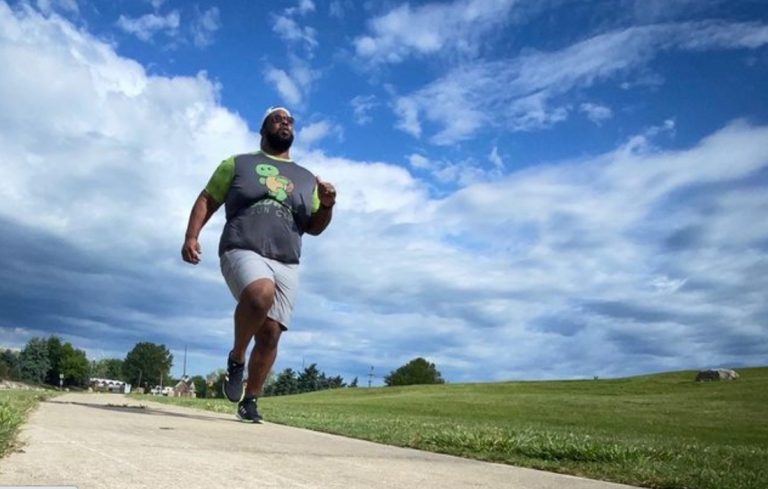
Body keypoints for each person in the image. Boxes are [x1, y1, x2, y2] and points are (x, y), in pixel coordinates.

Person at [181, 106, 336, 422]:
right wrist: (191, 236)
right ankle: (237, 357)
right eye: (278, 118)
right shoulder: (238, 163)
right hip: (242, 247)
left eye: (289, 120)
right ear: (263, 128)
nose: (285, 123)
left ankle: (250, 400)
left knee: (270, 334)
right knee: (260, 293)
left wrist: (328, 204)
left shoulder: (307, 179)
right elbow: (208, 198)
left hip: (287, 260)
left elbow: (315, 226)